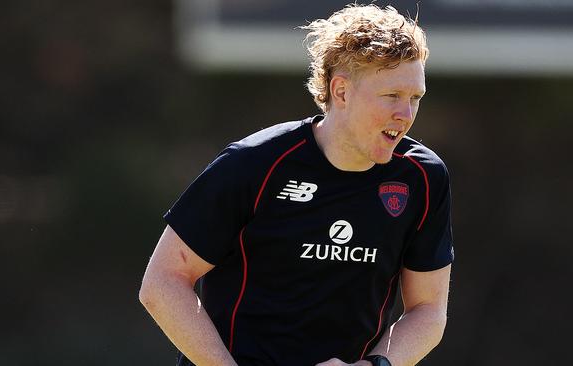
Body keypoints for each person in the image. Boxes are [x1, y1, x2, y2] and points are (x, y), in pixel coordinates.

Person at [139, 4, 454, 366]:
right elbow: (163, 282)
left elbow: (428, 310)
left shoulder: (423, 178)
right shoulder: (254, 163)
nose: (406, 114)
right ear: (341, 92)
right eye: (391, 97)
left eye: (415, 98)